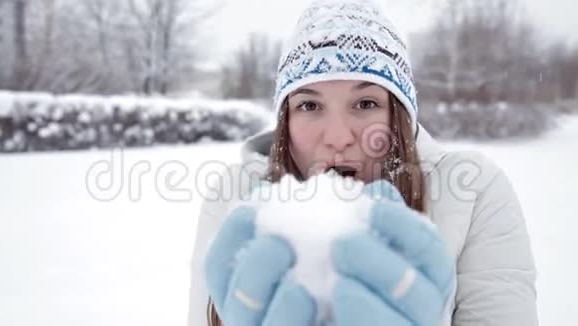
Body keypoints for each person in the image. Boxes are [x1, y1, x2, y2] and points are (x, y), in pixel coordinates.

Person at [188, 0, 538, 325]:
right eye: (310, 106)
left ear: (397, 117)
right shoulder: (235, 197)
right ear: (285, 123)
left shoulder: (472, 191)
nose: (338, 137)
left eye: (366, 103)